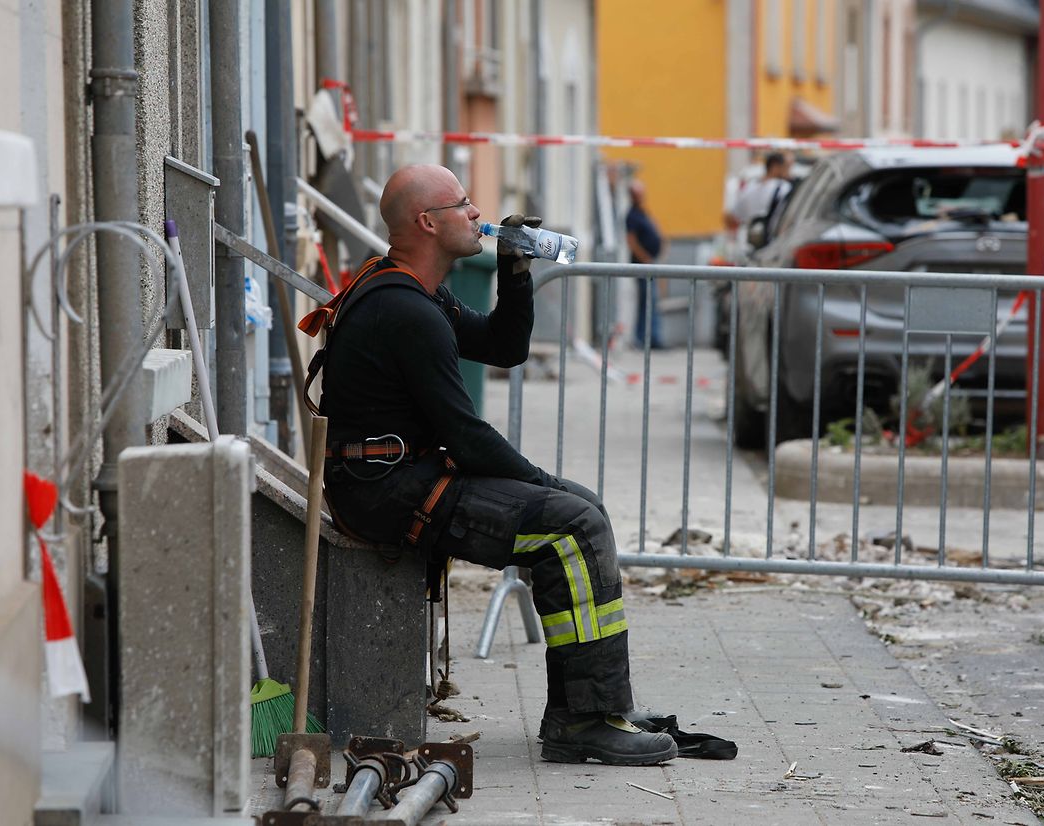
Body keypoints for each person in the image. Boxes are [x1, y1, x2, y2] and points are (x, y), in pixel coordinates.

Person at [311, 164, 676, 767]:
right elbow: (467, 435)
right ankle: (581, 721)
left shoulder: (418, 292)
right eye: (464, 205)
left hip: (403, 477)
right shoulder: (405, 311)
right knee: (572, 525)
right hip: (385, 492)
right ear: (428, 223)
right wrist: (541, 481)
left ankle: (599, 704)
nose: (478, 214)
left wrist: (515, 270)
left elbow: (504, 348)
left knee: (582, 511)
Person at [625, 179, 665, 349]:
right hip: (642, 265)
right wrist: (646, 258)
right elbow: (632, 241)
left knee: (649, 301)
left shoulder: (642, 213)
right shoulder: (632, 215)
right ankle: (647, 338)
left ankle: (648, 337)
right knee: (648, 301)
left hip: (649, 263)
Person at [730, 151, 793, 247]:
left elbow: (733, 216)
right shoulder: (784, 188)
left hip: (746, 243)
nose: (788, 172)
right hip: (771, 244)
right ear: (775, 167)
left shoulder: (749, 188)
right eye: (786, 167)